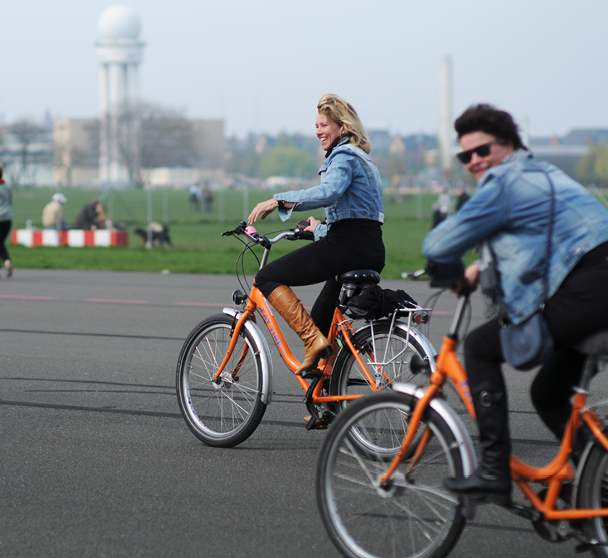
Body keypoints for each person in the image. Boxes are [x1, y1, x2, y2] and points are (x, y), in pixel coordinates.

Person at [423, 104, 608, 504]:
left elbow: (437, 244)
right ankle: (600, 489)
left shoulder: (503, 183)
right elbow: (532, 242)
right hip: (595, 284)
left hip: (591, 285)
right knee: (547, 393)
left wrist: (452, 270)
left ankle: (493, 470)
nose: (473, 161)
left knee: (478, 347)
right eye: (465, 155)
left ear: (508, 145)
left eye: (482, 151)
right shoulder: (540, 172)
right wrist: (478, 269)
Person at [248, 93, 385, 375]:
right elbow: (359, 220)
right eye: (316, 126)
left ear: (343, 127)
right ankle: (328, 403)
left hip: (347, 248)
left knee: (266, 277)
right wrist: (319, 229)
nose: (318, 131)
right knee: (322, 318)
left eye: (323, 125)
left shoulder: (344, 155)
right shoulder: (366, 160)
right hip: (369, 248)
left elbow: (329, 192)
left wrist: (279, 200)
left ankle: (312, 342)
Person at [0, 166, 13, 277]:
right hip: (8, 218)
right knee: (0, 243)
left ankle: (7, 261)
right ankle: (7, 262)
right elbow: (10, 201)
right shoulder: (7, 186)